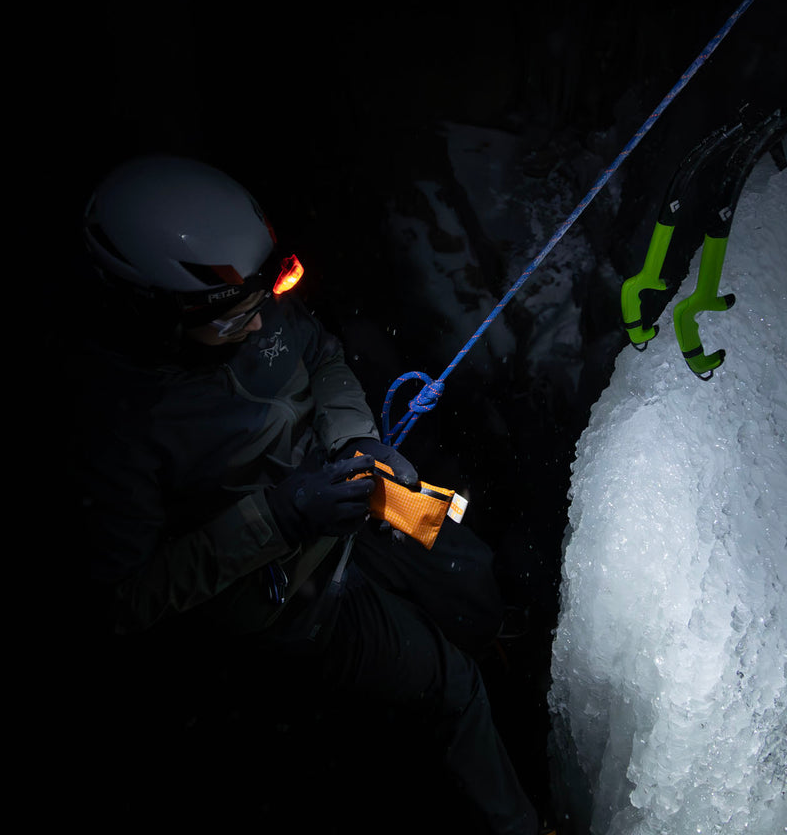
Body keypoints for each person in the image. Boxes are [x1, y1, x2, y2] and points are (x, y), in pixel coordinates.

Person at [66, 155, 544, 833]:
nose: (259, 328)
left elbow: (320, 354)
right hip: (289, 589)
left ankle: (497, 634)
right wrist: (280, 516)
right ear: (153, 314)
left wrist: (355, 438)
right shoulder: (114, 430)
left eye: (262, 304)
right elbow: (123, 599)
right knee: (452, 688)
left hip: (352, 490)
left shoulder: (245, 300)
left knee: (462, 556)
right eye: (232, 322)